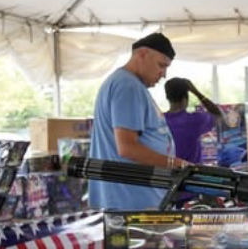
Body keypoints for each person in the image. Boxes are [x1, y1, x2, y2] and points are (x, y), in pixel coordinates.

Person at [88, 32, 188, 211]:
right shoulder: (128, 86)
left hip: (134, 199)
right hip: (133, 202)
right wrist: (176, 164)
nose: (164, 74)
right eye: (161, 65)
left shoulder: (127, 83)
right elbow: (127, 147)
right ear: (142, 54)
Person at [163, 77, 219, 166]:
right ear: (185, 98)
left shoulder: (159, 120)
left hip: (167, 171)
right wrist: (196, 92)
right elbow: (218, 115)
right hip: (192, 172)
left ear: (167, 97)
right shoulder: (195, 120)